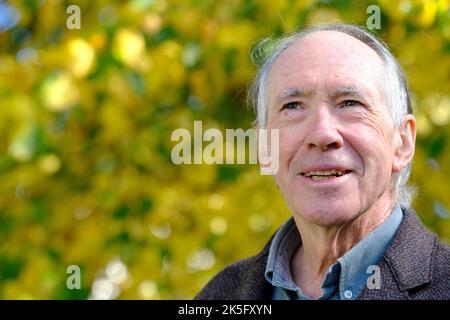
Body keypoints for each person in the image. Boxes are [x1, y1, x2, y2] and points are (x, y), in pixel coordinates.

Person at [195, 23, 450, 300]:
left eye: (350, 103)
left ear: (402, 143)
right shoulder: (218, 295)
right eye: (293, 106)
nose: (322, 133)